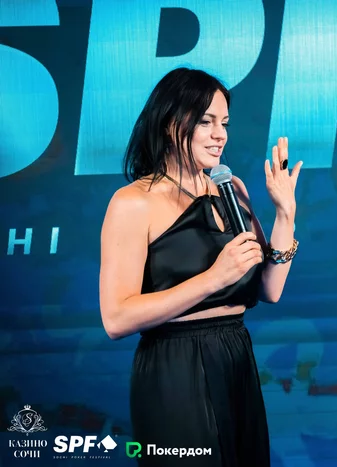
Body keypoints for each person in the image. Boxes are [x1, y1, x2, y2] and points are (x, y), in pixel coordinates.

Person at [98, 67, 302, 467]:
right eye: (206, 122)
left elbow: (270, 289)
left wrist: (285, 214)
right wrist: (212, 279)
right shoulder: (133, 202)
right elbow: (116, 318)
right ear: (171, 123)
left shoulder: (231, 188)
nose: (219, 134)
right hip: (175, 364)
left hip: (236, 356)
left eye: (224, 123)